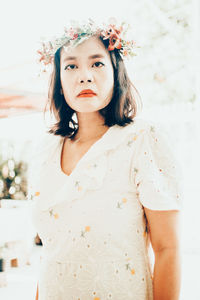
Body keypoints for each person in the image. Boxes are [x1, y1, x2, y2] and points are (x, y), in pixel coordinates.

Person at [30, 18, 183, 300]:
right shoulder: (45, 150)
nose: (84, 75)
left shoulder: (142, 139)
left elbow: (167, 249)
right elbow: (51, 254)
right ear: (59, 81)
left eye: (97, 63)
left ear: (116, 73)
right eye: (71, 66)